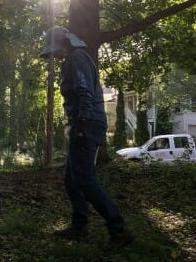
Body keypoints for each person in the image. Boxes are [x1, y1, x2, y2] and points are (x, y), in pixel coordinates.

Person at [40, 26, 134, 250]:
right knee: (71, 179)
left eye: (56, 50)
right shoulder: (73, 59)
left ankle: (119, 228)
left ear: (65, 43)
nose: (55, 55)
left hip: (87, 123)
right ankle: (79, 226)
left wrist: (81, 124)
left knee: (84, 179)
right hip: (82, 122)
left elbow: (84, 92)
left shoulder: (77, 57)